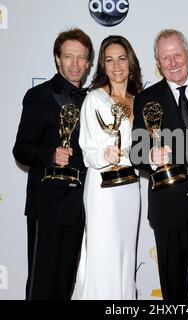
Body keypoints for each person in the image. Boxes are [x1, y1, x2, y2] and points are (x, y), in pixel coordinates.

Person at [131, 29, 188, 299]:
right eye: (165, 57)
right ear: (158, 63)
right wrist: (150, 157)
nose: (173, 62)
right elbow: (137, 151)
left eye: (177, 55)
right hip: (168, 207)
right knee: (173, 288)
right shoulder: (146, 98)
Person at [12, 28, 93, 300]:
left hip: (77, 208)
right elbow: (21, 149)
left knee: (63, 287)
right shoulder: (39, 96)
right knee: (41, 288)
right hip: (46, 206)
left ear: (88, 61)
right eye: (68, 56)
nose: (74, 64)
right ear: (57, 59)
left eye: (81, 57)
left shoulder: (92, 100)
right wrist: (50, 156)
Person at [71, 35, 142, 300]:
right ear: (102, 65)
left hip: (130, 189)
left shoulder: (141, 101)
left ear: (130, 62)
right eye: (109, 60)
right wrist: (104, 153)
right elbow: (87, 151)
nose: (116, 66)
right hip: (102, 188)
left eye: (121, 58)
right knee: (103, 255)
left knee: (125, 256)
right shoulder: (95, 99)